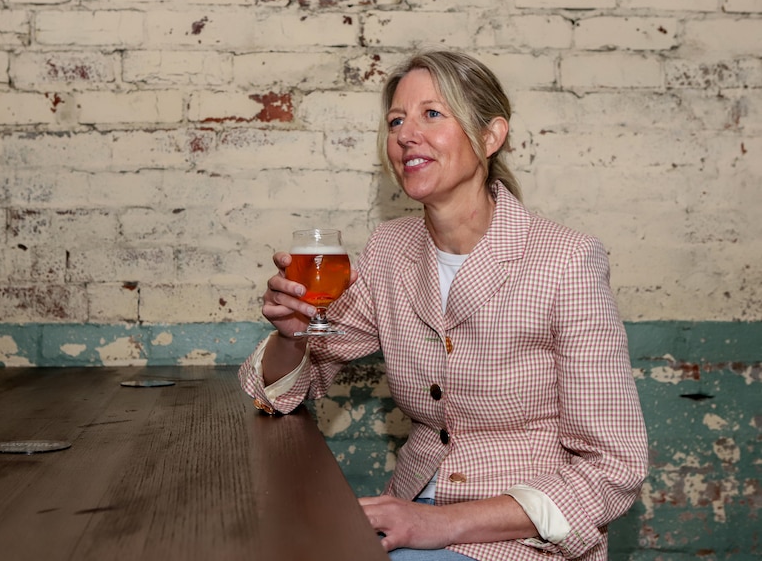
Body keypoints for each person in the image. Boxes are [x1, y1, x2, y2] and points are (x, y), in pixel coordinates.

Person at [239, 49, 648, 561]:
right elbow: (277, 394)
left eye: (432, 114)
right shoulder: (391, 249)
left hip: (521, 539)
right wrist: (292, 331)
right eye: (396, 120)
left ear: (491, 136)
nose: (406, 134)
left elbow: (614, 467)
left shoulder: (566, 261)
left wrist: (440, 523)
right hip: (410, 509)